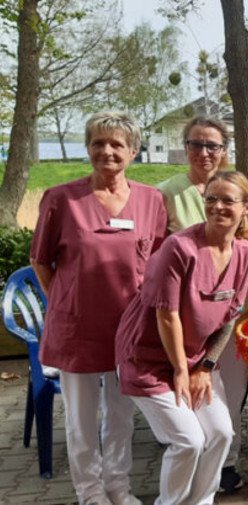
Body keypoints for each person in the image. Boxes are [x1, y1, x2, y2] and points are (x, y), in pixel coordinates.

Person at [29, 111, 167, 505]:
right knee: (81, 420)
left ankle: (118, 489)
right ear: (88, 148)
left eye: (117, 144)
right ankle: (90, 493)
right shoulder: (61, 200)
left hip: (129, 329)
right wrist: (65, 301)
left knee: (121, 416)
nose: (107, 151)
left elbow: (156, 262)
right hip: (77, 329)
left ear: (134, 151)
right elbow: (40, 260)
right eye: (98, 143)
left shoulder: (151, 200)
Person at [116, 171, 248, 504]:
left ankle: (201, 501)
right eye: (211, 199)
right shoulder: (179, 248)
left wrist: (205, 367)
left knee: (221, 434)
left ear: (247, 208)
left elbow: (229, 318)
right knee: (189, 441)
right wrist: (182, 369)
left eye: (228, 200)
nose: (218, 206)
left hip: (195, 361)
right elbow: (167, 314)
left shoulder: (246, 254)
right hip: (148, 359)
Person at [156, 116, 248, 493]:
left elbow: (247, 243)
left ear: (224, 150)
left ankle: (226, 461)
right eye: (195, 144)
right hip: (183, 314)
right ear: (186, 148)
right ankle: (190, 457)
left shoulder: (235, 188)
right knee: (189, 392)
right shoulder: (165, 192)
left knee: (230, 385)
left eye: (212, 145)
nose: (204, 152)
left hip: (225, 311)